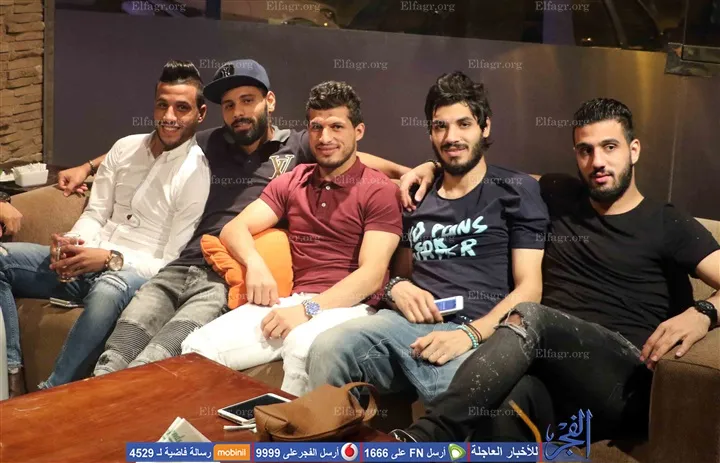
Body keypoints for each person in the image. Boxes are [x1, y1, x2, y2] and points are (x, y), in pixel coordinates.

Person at [392, 98, 720, 443]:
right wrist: (433, 167)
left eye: (610, 147)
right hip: (555, 377)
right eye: (585, 150)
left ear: (633, 150)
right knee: (503, 404)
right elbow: (480, 173)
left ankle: (426, 438)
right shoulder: (557, 193)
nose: (597, 161)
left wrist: (704, 312)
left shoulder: (667, 222)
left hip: (622, 379)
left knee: (530, 314)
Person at [85, 60, 409, 376]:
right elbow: (155, 141)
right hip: (191, 265)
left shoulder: (305, 151)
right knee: (132, 353)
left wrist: (413, 171)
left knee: (160, 359)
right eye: (229, 105)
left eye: (247, 100)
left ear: (270, 101)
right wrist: (86, 167)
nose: (325, 137)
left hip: (242, 282)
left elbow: (370, 270)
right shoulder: (225, 149)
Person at [307, 72, 548, 405]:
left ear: (485, 127)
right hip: (406, 326)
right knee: (327, 348)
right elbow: (399, 273)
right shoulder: (415, 195)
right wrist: (395, 289)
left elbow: (530, 289)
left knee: (472, 395)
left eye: (464, 124)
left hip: (480, 331)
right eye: (440, 126)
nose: (451, 137)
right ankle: (336, 436)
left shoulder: (516, 191)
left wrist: (470, 335)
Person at [0, 60, 211, 396]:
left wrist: (111, 259)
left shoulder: (195, 174)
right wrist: (72, 243)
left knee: (110, 286)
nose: (169, 116)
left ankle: (50, 393)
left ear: (200, 114)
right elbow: (96, 213)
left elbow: (171, 262)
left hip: (130, 275)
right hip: (87, 260)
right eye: (162, 105)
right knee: (2, 258)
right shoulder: (125, 148)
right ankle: (11, 374)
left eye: (181, 108)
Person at [180, 81, 402, 396]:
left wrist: (308, 310)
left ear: (359, 131)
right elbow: (233, 229)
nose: (325, 138)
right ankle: (220, 427)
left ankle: (287, 428)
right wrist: (255, 264)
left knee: (299, 346)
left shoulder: (378, 189)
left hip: (351, 307)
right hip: (294, 300)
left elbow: (371, 276)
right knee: (197, 346)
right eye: (316, 127)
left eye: (337, 127)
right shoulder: (294, 181)